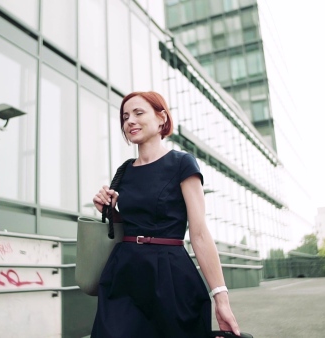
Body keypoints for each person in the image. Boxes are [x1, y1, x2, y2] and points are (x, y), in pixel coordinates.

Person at [91, 91, 241, 337]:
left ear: (162, 119)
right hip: (124, 274)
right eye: (125, 116)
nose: (130, 121)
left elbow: (200, 233)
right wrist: (110, 212)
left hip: (169, 275)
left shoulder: (182, 163)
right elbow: (127, 227)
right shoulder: (124, 171)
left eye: (139, 113)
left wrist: (221, 298)